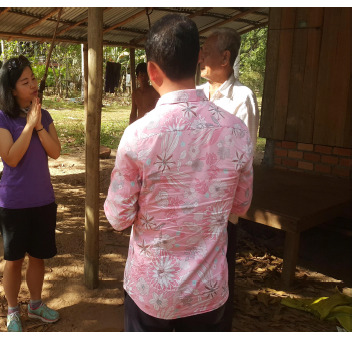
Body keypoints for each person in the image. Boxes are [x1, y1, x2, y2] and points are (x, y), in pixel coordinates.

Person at [104, 14, 254, 332]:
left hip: (151, 292)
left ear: (153, 71)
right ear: (196, 59)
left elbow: (118, 218)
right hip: (209, 292)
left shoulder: (138, 136)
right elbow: (240, 206)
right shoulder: (237, 131)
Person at [0, 55, 62, 332]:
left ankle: (34, 305)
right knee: (13, 260)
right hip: (15, 203)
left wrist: (39, 124)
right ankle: (12, 311)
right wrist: (29, 125)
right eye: (25, 81)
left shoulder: (43, 114)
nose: (33, 84)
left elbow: (55, 152)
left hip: (43, 199)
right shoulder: (1, 118)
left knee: (38, 256)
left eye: (33, 78)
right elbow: (11, 158)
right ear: (11, 89)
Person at [197, 27, 260, 331]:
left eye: (206, 52)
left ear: (225, 57)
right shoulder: (196, 94)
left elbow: (240, 159)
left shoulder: (241, 98)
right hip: (194, 204)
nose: (200, 59)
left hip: (220, 208)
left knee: (221, 274)